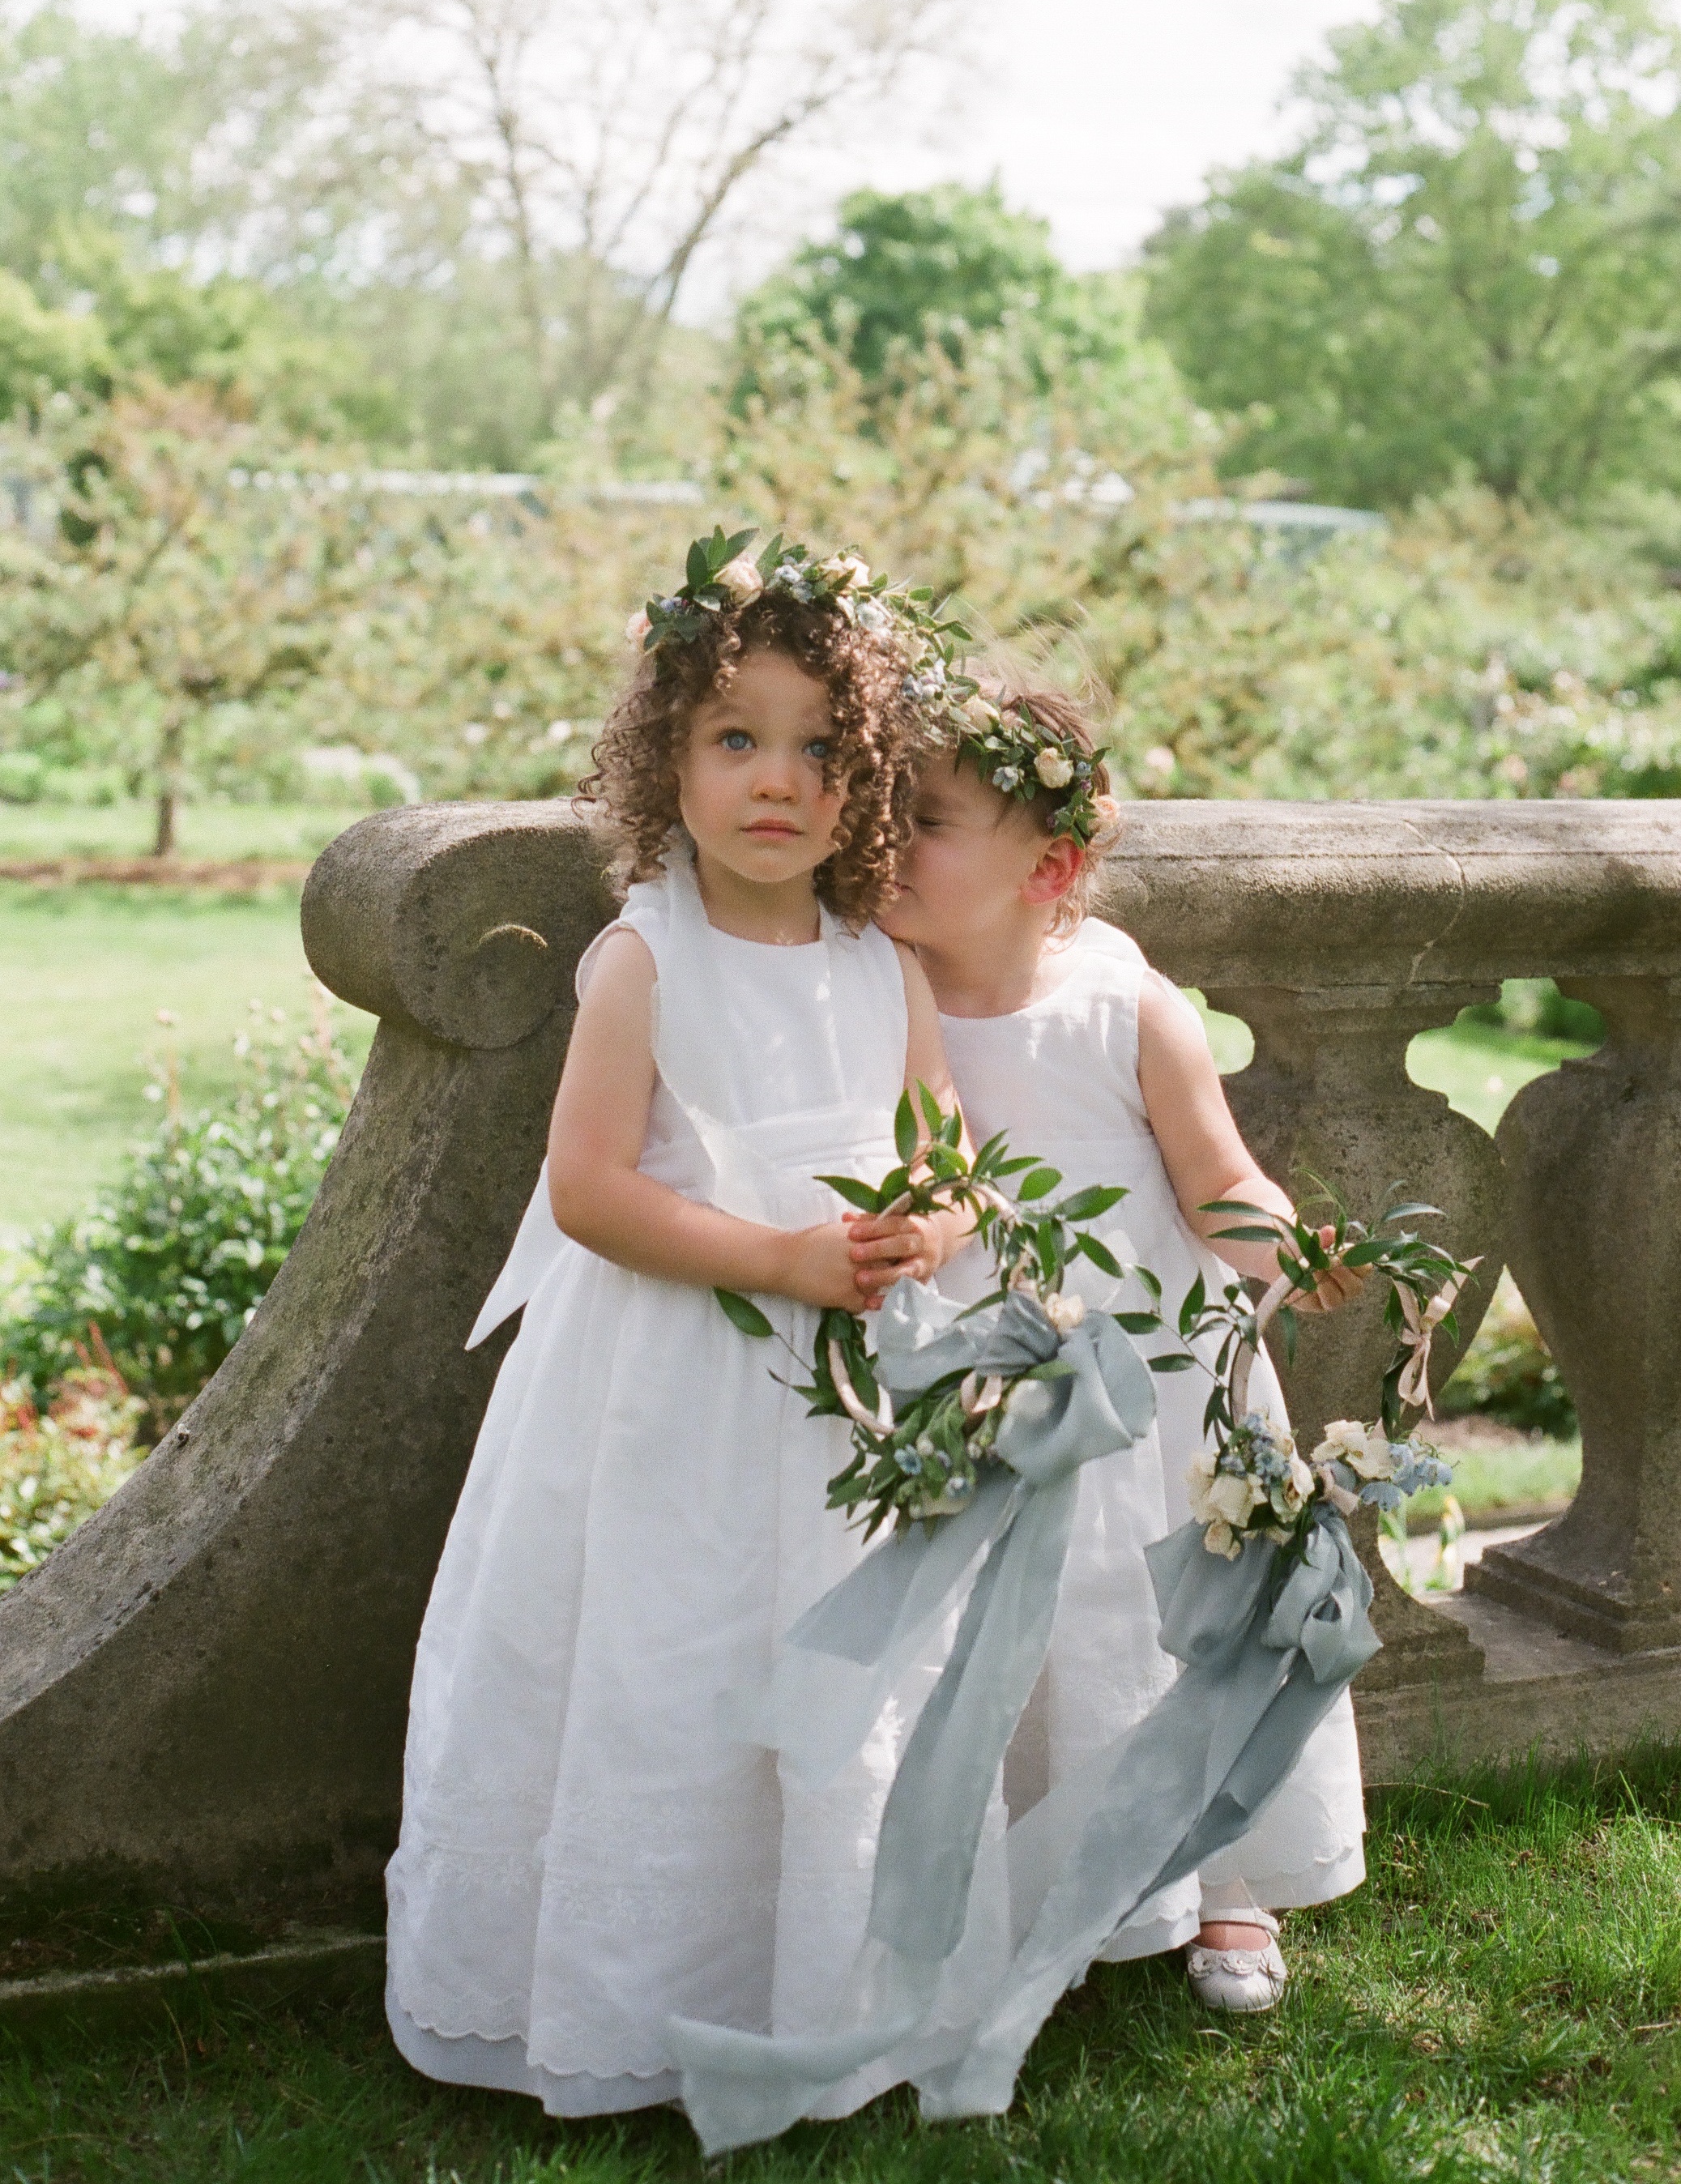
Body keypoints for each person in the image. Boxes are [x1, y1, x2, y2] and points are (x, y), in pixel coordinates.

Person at [385, 536, 975, 2115]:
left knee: (833, 1674)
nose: (776, 778)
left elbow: (948, 1147)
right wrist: (778, 1257)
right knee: (669, 1669)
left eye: (818, 746)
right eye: (737, 738)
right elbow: (587, 1188)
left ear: (862, 780)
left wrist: (934, 1219)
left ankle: (824, 1983)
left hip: (849, 1390)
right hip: (670, 1384)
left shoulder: (881, 965)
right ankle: (628, 2001)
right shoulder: (647, 958)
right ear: (667, 761)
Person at [856, 680, 1370, 2014]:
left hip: (1160, 1383)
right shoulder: (868, 985)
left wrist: (1290, 1251)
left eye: (929, 820)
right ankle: (1015, 1874)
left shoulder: (1121, 999)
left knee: (1186, 1624)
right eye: (883, 811)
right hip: (988, 1369)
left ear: (1054, 863)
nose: (888, 842)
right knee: (1011, 1630)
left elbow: (1218, 1178)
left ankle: (1228, 1875)